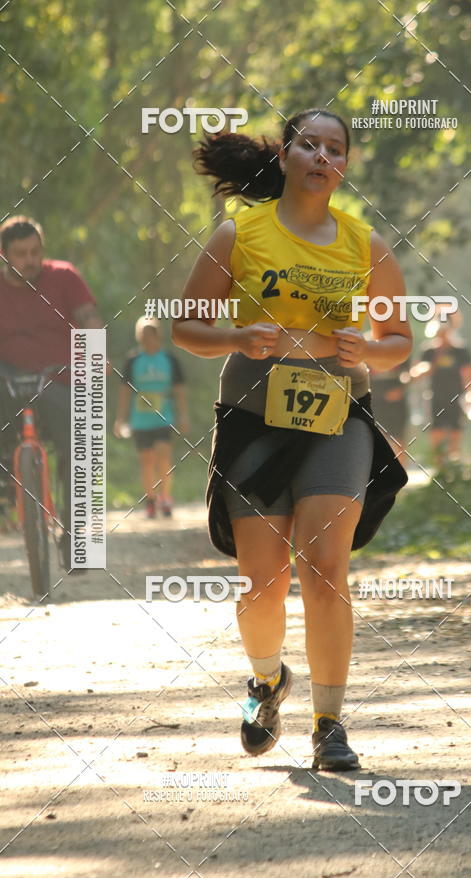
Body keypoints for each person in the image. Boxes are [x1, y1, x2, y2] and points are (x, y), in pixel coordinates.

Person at [172, 109, 412, 771]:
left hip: (338, 414)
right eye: (309, 144)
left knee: (326, 568)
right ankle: (266, 680)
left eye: (335, 148)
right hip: (254, 413)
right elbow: (187, 329)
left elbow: (398, 346)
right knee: (263, 582)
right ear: (284, 156)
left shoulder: (367, 245)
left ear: (344, 165)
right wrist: (235, 338)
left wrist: (370, 347)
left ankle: (330, 725)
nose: (322, 156)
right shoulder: (238, 234)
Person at [0, 216, 103, 571]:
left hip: (60, 380)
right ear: (4, 255)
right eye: (21, 254)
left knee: (79, 446)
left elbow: (89, 316)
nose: (30, 260)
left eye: (35, 252)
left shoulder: (63, 276)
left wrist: (95, 355)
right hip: (8, 379)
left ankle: (74, 535)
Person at [114, 317, 188, 518]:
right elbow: (125, 392)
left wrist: (183, 416)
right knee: (146, 460)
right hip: (140, 419)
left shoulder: (169, 359)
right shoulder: (132, 361)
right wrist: (120, 419)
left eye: (150, 335)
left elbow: (179, 390)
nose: (146, 339)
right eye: (142, 336)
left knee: (163, 456)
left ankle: (165, 497)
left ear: (158, 336)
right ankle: (150, 499)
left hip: (164, 417)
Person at [410, 313, 471, 469]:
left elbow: (469, 375)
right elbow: (417, 372)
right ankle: (439, 469)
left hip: (456, 398)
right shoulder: (429, 350)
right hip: (434, 398)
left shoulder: (461, 350)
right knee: (436, 433)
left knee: (455, 432)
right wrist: (430, 364)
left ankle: (455, 467)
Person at [369, 358, 411, 465]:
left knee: (398, 440)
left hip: (396, 404)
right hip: (373, 402)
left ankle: (401, 476)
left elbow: (407, 372)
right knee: (376, 441)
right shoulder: (366, 346)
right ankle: (380, 477)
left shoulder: (400, 346)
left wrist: (402, 387)